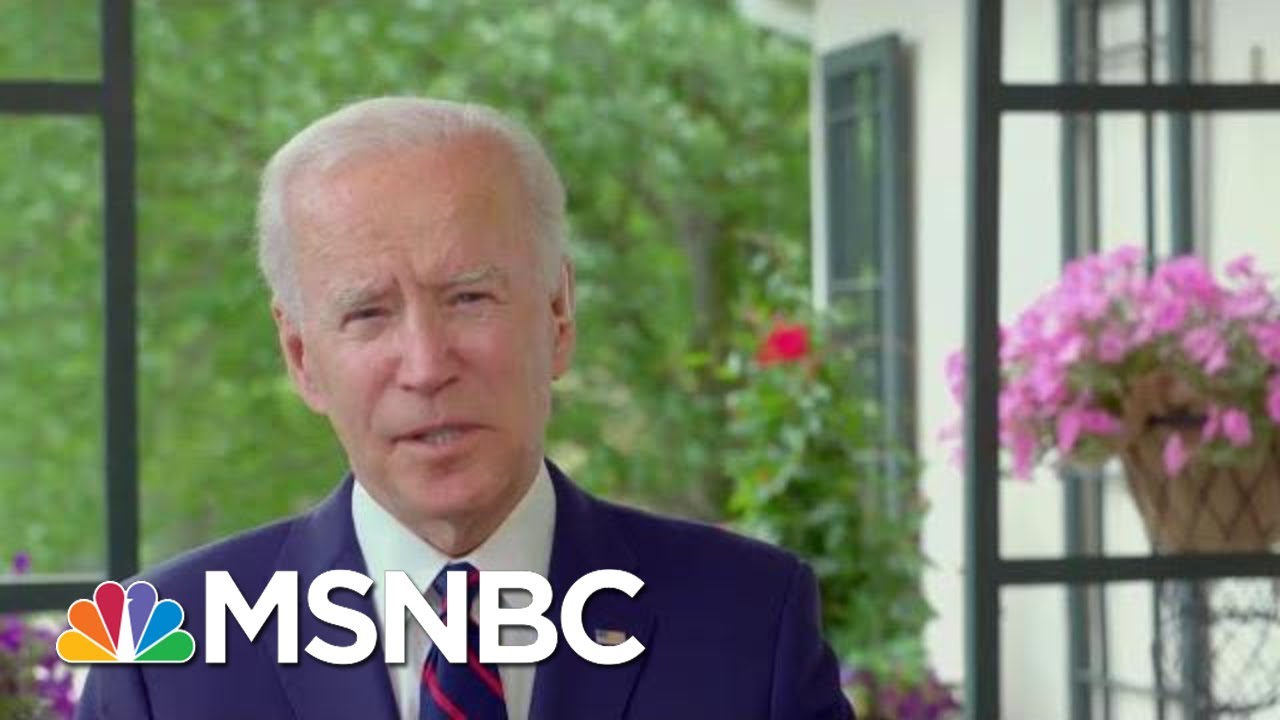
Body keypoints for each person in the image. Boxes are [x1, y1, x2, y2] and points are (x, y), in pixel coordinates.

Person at [77, 97, 853, 720]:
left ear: (558, 314)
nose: (426, 366)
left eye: (469, 298)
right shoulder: (158, 657)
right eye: (367, 313)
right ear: (302, 357)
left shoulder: (751, 621)